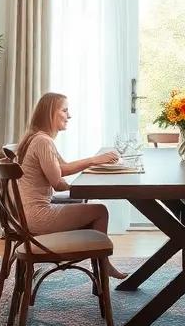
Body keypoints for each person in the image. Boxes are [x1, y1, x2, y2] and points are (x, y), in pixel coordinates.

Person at [14, 92, 125, 278]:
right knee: (100, 211)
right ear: (50, 113)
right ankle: (102, 265)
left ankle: (100, 263)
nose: (69, 116)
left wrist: (92, 164)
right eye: (65, 111)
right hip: (37, 216)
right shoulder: (43, 141)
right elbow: (57, 183)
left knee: (87, 204)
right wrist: (93, 162)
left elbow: (62, 168)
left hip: (25, 214)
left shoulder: (37, 137)